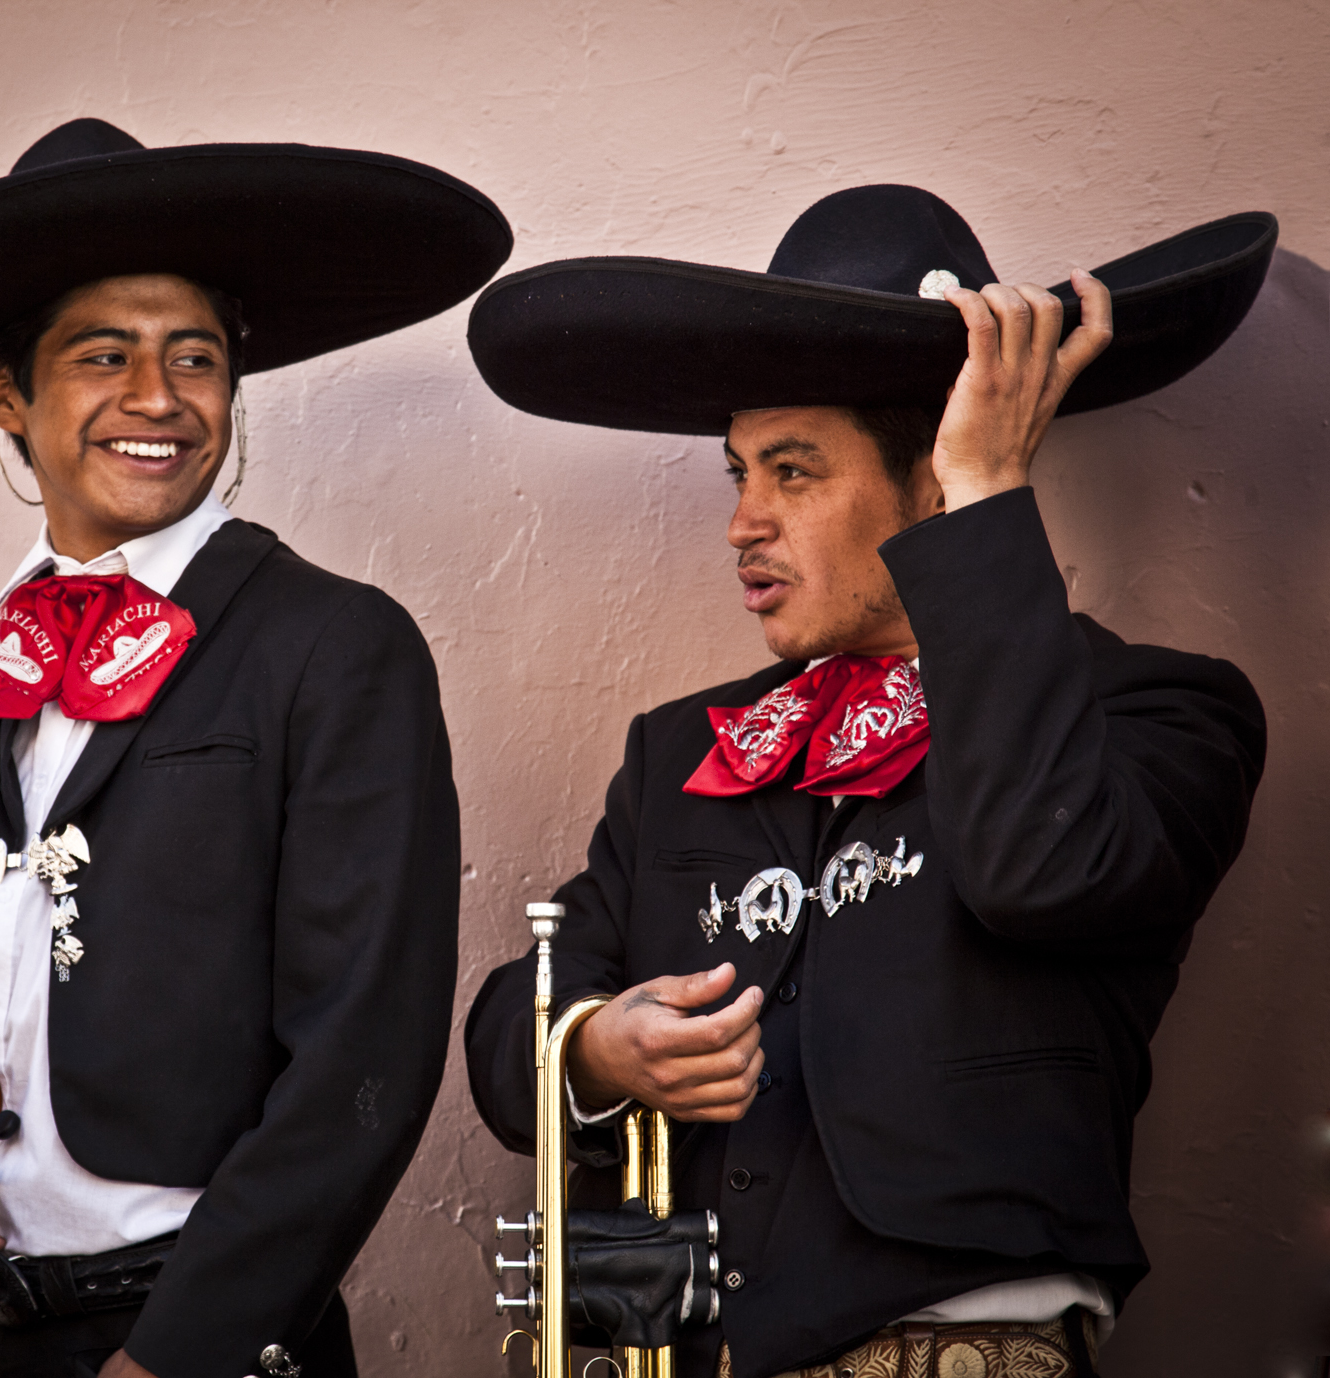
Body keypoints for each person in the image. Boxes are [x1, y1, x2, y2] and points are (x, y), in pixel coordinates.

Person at [0, 117, 513, 1378]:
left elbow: (363, 1053)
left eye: (193, 356)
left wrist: (183, 1352)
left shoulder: (336, 646)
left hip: (202, 1337)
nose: (157, 398)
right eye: (102, 355)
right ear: (7, 396)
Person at [462, 185, 1277, 1377]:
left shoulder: (1161, 709)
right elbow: (512, 1019)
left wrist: (989, 496)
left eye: (792, 473)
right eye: (736, 473)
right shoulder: (678, 747)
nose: (741, 521)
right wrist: (597, 1050)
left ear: (937, 480)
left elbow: (1044, 876)